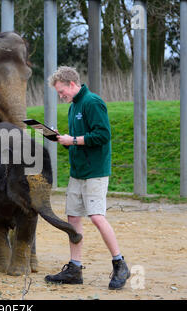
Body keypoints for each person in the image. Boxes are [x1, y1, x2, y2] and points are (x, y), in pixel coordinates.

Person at [45, 66, 130, 290]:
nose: (60, 95)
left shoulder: (92, 102)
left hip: (95, 172)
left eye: (62, 91)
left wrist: (71, 140)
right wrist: (61, 140)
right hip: (78, 172)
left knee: (96, 216)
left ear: (72, 84)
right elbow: (79, 140)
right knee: (73, 217)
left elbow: (103, 135)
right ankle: (75, 268)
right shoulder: (73, 107)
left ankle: (120, 263)